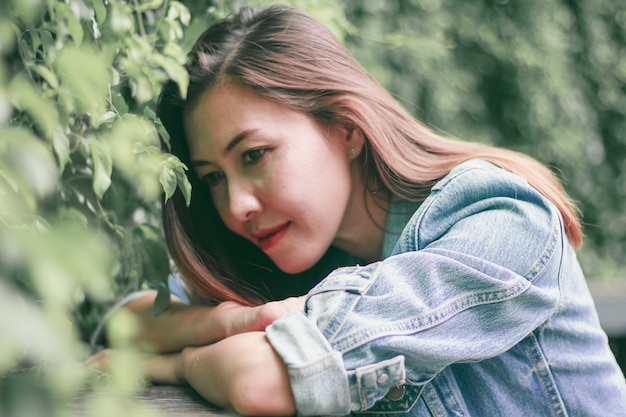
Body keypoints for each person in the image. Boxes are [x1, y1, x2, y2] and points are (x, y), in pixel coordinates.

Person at [88, 3, 626, 416]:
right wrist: (239, 318)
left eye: (254, 155)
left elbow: (260, 378)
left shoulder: (498, 218)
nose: (236, 206)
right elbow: (134, 317)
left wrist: (172, 364)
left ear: (345, 128)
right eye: (212, 179)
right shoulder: (291, 260)